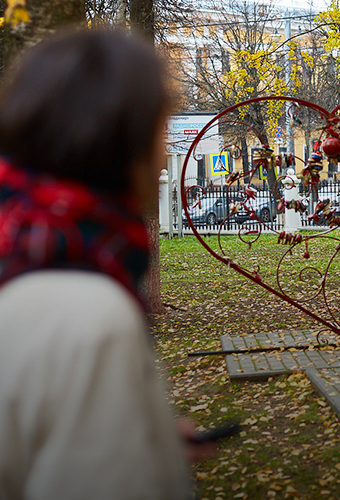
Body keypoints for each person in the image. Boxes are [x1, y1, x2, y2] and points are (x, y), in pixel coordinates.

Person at [0, 30, 211, 499]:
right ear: (122, 138)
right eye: (161, 128)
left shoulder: (21, 248)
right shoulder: (88, 311)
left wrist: (140, 434)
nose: (163, 158)